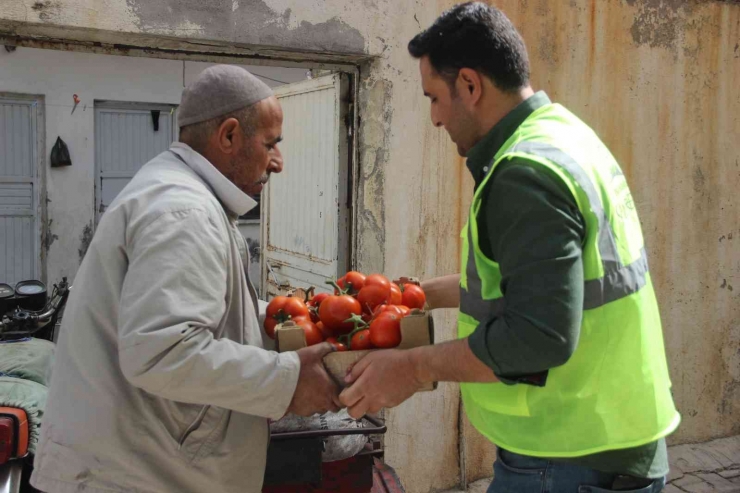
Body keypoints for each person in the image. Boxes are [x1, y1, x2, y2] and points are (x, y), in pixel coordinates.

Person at [339, 3, 680, 492]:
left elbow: (537, 337)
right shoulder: (564, 137)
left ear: (472, 86)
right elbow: (536, 283)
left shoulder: (524, 173)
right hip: (604, 441)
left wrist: (412, 368)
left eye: (435, 98)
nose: (434, 118)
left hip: (571, 456)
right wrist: (414, 295)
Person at [31, 65, 340, 493]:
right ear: (229, 136)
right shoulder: (184, 211)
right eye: (270, 144)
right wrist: (286, 381)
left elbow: (201, 314)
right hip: (130, 478)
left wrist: (289, 318)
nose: (278, 162)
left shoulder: (184, 196)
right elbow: (162, 352)